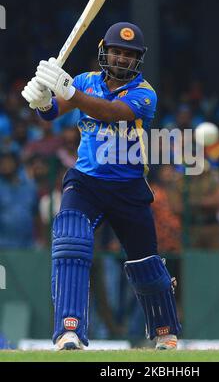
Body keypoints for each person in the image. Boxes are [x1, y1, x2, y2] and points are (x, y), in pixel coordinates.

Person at [21, 22, 181, 350]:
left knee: (145, 262)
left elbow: (110, 112)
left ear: (138, 60)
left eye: (129, 54)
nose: (122, 59)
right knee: (70, 242)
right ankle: (70, 330)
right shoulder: (84, 82)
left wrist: (69, 93)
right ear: (104, 51)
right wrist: (42, 102)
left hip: (128, 186)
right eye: (117, 51)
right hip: (86, 181)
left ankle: (165, 331)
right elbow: (53, 113)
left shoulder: (144, 93)